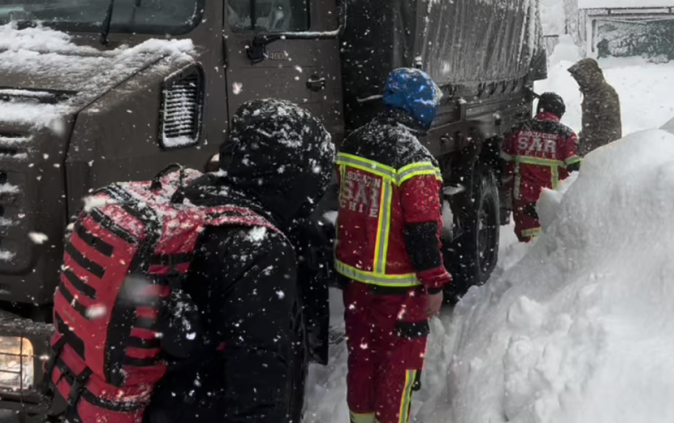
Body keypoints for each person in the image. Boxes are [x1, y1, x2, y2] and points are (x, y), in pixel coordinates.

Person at [145, 99, 335, 423]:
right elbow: (258, 376)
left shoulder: (195, 198)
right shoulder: (259, 248)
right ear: (292, 173)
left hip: (167, 404)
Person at [335, 67, 452, 423]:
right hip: (398, 287)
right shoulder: (416, 159)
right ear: (419, 107)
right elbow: (421, 230)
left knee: (363, 359)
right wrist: (434, 283)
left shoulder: (353, 142)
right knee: (398, 369)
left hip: (355, 281)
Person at [501, 92, 581, 242]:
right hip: (551, 202)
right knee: (547, 245)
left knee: (526, 244)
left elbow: (504, 163)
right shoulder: (566, 135)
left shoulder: (517, 131)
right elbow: (576, 169)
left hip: (522, 199)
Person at [568, 58, 622, 156]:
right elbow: (591, 125)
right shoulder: (591, 93)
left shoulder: (605, 94)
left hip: (602, 153)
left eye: (581, 77)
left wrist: (589, 146)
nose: (579, 81)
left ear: (590, 75)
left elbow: (609, 130)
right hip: (593, 149)